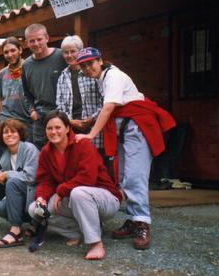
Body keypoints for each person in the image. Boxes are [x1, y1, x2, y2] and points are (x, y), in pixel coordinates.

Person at [74, 47, 176, 250]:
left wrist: (91, 134)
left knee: (134, 176)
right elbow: (111, 105)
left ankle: (142, 222)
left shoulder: (113, 76)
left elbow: (110, 107)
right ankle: (132, 218)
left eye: (91, 63)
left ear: (100, 61)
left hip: (137, 127)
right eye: (83, 65)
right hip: (124, 129)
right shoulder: (102, 78)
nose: (87, 68)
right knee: (122, 176)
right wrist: (91, 119)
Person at [28, 110, 122, 260]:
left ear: (67, 128)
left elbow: (87, 178)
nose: (54, 132)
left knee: (78, 193)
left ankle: (96, 244)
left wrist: (60, 191)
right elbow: (46, 181)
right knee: (34, 210)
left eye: (58, 127)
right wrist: (41, 197)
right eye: (49, 128)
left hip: (105, 198)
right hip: (74, 196)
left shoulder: (83, 144)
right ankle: (78, 231)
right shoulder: (46, 152)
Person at [0, 119, 39, 248]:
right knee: (1, 209)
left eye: (13, 132)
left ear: (20, 134)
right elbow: (10, 172)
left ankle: (16, 231)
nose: (9, 135)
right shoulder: (6, 155)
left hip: (36, 194)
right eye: (5, 132)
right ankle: (32, 224)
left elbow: (30, 177)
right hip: (22, 193)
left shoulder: (29, 149)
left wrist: (6, 174)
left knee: (12, 182)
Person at [21, 23, 67, 149]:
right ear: (27, 43)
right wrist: (31, 111)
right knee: (41, 154)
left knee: (62, 151)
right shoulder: (26, 65)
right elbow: (26, 94)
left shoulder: (61, 56)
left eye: (39, 39)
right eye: (32, 41)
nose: (36, 43)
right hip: (40, 118)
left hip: (61, 114)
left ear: (47, 38)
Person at [56, 35, 103, 151]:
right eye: (65, 52)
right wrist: (70, 121)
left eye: (73, 51)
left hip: (94, 126)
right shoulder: (62, 76)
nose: (69, 55)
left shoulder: (92, 72)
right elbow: (60, 104)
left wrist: (92, 118)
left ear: (80, 51)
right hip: (72, 128)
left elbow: (104, 100)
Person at [0, 37, 32, 132]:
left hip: (26, 121)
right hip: (5, 119)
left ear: (20, 50)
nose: (10, 55)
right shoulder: (1, 73)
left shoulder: (30, 69)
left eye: (13, 50)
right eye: (6, 52)